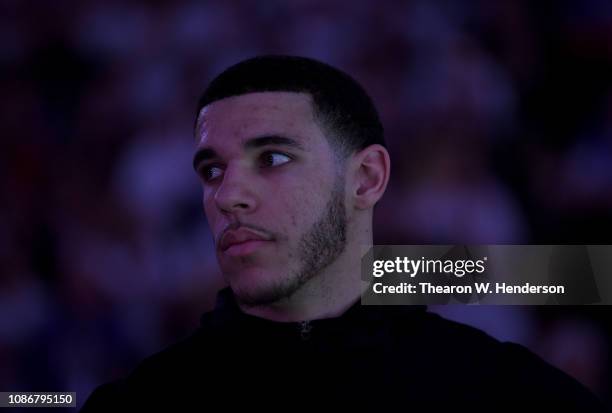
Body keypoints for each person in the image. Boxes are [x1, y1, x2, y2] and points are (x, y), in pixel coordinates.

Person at [81, 55, 604, 411]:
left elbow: (565, 275)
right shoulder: (146, 398)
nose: (226, 194)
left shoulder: (498, 385)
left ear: (368, 177)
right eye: (212, 170)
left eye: (274, 157)